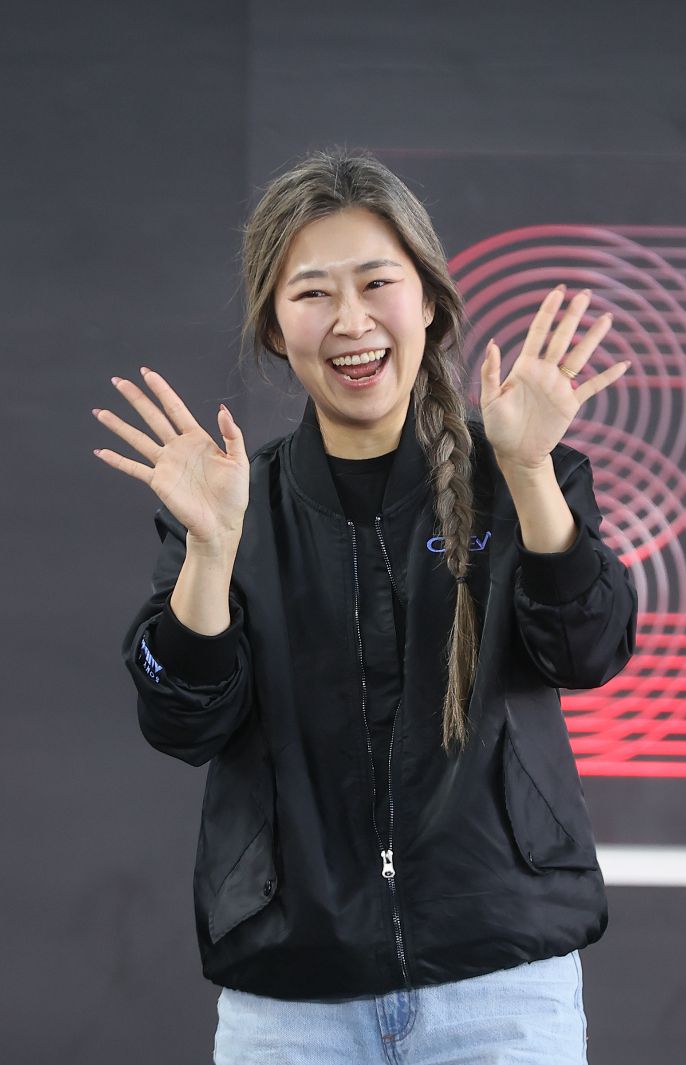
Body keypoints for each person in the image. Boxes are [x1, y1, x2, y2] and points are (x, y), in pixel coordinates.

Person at [93, 149, 637, 1065]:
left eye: (377, 282)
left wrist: (531, 472)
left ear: (428, 302)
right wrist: (212, 549)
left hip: (500, 986)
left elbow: (588, 649)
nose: (351, 321)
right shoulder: (231, 504)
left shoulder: (520, 475)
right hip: (291, 1002)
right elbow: (181, 719)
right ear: (275, 327)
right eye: (312, 293)